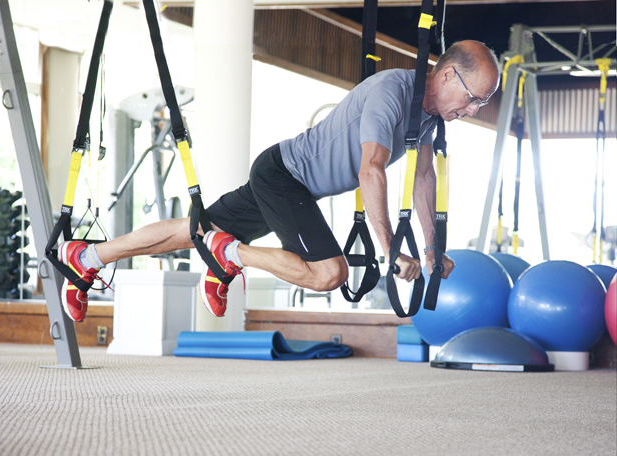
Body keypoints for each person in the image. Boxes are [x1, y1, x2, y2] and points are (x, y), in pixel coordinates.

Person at [57, 40, 500, 322]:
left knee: (193, 230)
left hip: (289, 179)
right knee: (329, 273)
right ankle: (230, 254)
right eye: (473, 98)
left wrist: (430, 248)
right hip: (285, 176)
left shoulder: (429, 119)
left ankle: (87, 256)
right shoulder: (393, 91)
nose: (473, 110)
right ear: (447, 74)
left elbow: (423, 176)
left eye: (481, 103)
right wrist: (389, 250)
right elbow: (371, 169)